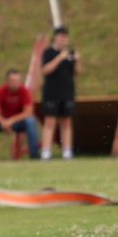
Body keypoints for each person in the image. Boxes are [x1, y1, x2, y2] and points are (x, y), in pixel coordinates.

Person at [36, 27, 81, 159]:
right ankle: (46, 151)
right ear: (55, 38)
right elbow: (45, 70)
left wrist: (77, 59)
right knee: (50, 122)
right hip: (51, 93)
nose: (63, 40)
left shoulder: (70, 53)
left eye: (65, 37)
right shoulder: (48, 52)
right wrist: (60, 58)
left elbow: (77, 72)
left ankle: (67, 151)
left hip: (67, 92)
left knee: (67, 122)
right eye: (60, 37)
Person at [0, 67, 41, 161]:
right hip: (2, 122)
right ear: (7, 81)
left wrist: (11, 121)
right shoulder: (0, 91)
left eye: (17, 80)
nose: (15, 83)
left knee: (31, 121)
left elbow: (28, 112)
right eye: (13, 81)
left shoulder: (24, 91)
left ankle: (34, 155)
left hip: (18, 122)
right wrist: (3, 121)